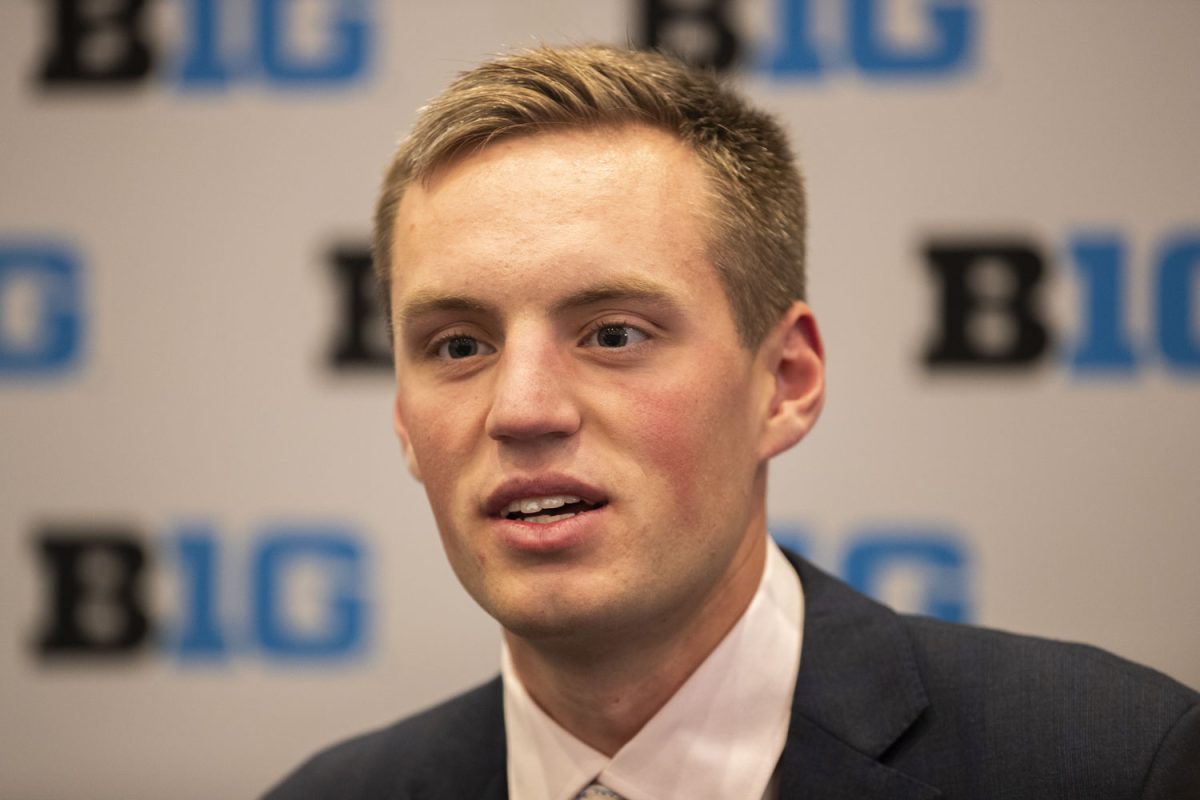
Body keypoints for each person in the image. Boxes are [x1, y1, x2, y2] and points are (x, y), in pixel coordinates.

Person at [265, 45, 1199, 800]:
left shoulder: (1113, 763)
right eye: (459, 347)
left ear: (785, 381)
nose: (521, 410)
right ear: (401, 418)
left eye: (614, 332)